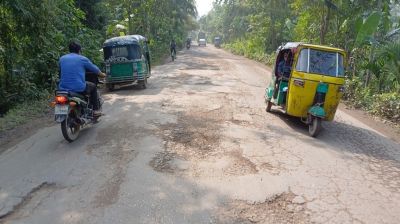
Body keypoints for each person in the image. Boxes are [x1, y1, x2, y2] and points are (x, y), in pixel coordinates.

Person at [58, 41, 106, 116]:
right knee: (93, 87)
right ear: (79, 50)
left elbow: (61, 72)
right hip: (78, 87)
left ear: (69, 50)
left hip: (62, 88)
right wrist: (102, 74)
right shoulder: (82, 59)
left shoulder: (62, 59)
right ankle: (95, 110)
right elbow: (95, 70)